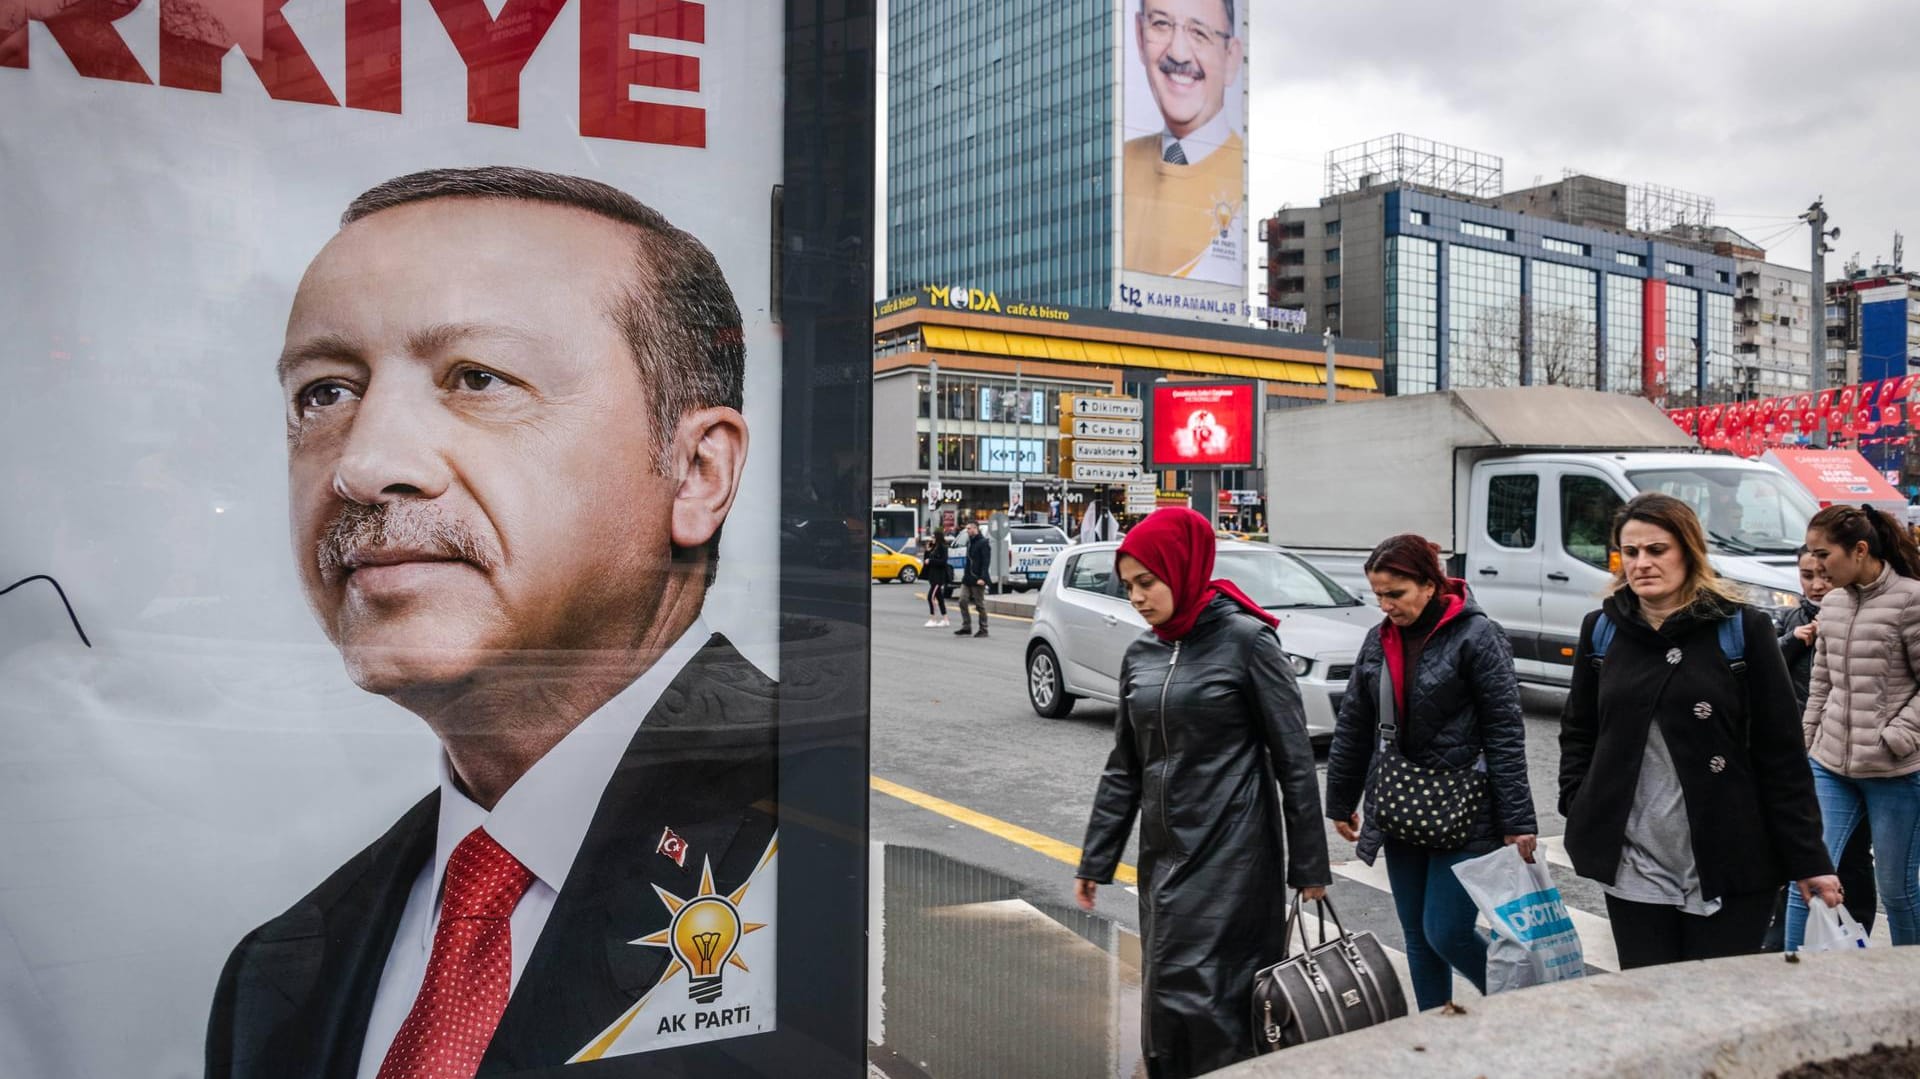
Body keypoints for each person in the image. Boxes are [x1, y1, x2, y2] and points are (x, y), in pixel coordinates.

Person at [207, 167, 777, 1077]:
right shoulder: (280, 972)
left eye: (477, 378)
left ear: (697, 471)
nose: (364, 462)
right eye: (324, 392)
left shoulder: (843, 858)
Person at [1074, 508, 1329, 1078]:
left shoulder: (1247, 642)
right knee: (1165, 988)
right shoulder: (1142, 654)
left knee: (1218, 997)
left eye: (1147, 581)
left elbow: (1294, 758)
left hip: (1234, 856)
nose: (1137, 597)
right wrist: (1097, 857)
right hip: (1163, 856)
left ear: (1182, 569)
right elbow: (1125, 766)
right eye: (1128, 586)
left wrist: (1309, 864)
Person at [1560, 493, 1838, 970]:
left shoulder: (1741, 627)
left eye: (1656, 550)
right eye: (1631, 553)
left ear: (1688, 551)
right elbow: (1579, 729)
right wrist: (1578, 798)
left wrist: (1809, 858)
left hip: (1730, 854)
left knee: (1717, 1007)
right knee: (1652, 1002)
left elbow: (1780, 751)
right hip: (1635, 860)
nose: (1642, 564)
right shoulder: (1603, 629)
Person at [1323, 534, 1536, 1012]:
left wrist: (1518, 819)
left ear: (1429, 584)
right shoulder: (1379, 640)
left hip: (1467, 807)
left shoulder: (1478, 635)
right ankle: (1434, 1031)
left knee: (1447, 931)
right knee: (1418, 935)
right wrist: (1339, 800)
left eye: (1395, 594)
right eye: (1377, 595)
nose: (1385, 605)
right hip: (1402, 804)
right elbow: (1354, 724)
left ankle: (1523, 1009)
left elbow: (1505, 729)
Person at [1786, 504, 1920, 949]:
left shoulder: (1910, 600)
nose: (1816, 567)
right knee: (1805, 880)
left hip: (1895, 772)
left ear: (1859, 550)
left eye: (1824, 555)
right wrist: (1808, 744)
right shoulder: (1835, 605)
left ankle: (1908, 992)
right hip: (1830, 766)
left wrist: (1898, 736)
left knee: (1898, 892)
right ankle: (1786, 981)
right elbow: (1821, 684)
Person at [1762, 548, 1875, 949]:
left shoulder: (1860, 616)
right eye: (1807, 575)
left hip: (1847, 755)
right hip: (1799, 752)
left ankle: (1855, 929)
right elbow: (1762, 671)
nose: (1816, 584)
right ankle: (1785, 941)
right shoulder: (1791, 619)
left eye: (1824, 575)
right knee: (1797, 846)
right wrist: (1794, 641)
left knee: (1851, 853)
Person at [1122, 0, 1245, 282]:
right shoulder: (1118, 165)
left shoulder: (1241, 181)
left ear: (1231, 57)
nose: (1178, 53)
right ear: (1140, 37)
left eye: (1199, 33)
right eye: (1161, 25)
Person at [955, 521, 990, 638]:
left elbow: (986, 562)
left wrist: (982, 577)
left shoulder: (983, 542)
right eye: (967, 529)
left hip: (977, 578)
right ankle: (966, 626)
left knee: (979, 604)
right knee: (962, 601)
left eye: (969, 528)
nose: (967, 531)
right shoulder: (970, 542)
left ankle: (983, 629)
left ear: (975, 529)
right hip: (967, 578)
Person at [922, 526, 951, 627]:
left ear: (938, 537)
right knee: (940, 598)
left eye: (933, 537)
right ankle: (945, 619)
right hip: (932, 576)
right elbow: (926, 561)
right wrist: (927, 550)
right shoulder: (934, 547)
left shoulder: (943, 547)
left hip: (938, 577)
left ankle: (933, 619)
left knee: (930, 597)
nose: (932, 539)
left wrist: (931, 561)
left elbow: (943, 561)